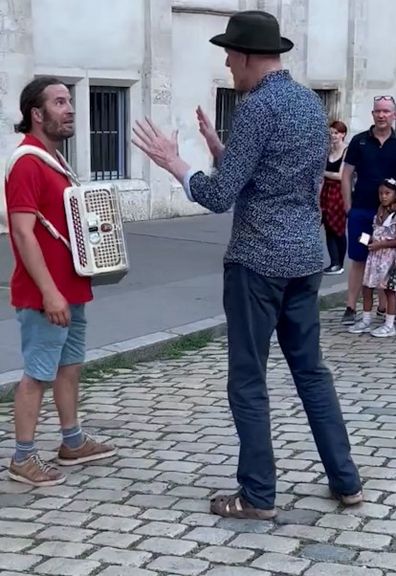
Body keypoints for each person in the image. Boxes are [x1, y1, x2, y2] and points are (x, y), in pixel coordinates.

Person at [132, 10, 362, 519]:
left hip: (259, 263)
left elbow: (219, 195)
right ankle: (347, 481)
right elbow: (279, 178)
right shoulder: (306, 103)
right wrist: (221, 148)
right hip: (305, 258)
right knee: (311, 373)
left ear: (249, 56)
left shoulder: (258, 106)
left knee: (248, 379)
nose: (228, 66)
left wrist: (176, 163)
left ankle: (257, 494)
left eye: (230, 56)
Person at [5, 76, 115, 487]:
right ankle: (23, 458)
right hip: (43, 295)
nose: (70, 109)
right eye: (59, 102)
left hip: (69, 289)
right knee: (37, 374)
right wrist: (50, 292)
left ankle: (72, 442)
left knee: (69, 368)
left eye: (70, 100)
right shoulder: (28, 163)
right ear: (37, 114)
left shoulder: (54, 162)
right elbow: (21, 231)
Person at [341, 96, 396, 325]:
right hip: (363, 212)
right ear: (372, 114)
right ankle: (351, 307)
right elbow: (346, 174)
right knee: (360, 257)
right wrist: (348, 206)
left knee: (388, 258)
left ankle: (384, 307)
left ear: (393, 115)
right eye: (378, 111)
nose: (381, 115)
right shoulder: (360, 141)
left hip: (389, 217)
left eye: (386, 111)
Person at [348, 178, 396, 337]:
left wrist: (380, 245)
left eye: (387, 193)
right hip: (375, 257)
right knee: (367, 287)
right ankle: (366, 319)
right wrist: (366, 239)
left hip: (389, 258)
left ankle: (389, 324)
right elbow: (377, 234)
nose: (383, 196)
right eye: (381, 193)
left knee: (389, 290)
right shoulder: (379, 212)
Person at [320, 120, 348, 275]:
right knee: (328, 227)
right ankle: (333, 263)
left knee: (338, 228)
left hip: (339, 192)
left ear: (343, 134)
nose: (333, 136)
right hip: (326, 191)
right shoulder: (328, 151)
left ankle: (340, 263)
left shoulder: (347, 151)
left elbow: (341, 176)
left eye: (336, 133)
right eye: (331, 133)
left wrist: (322, 173)